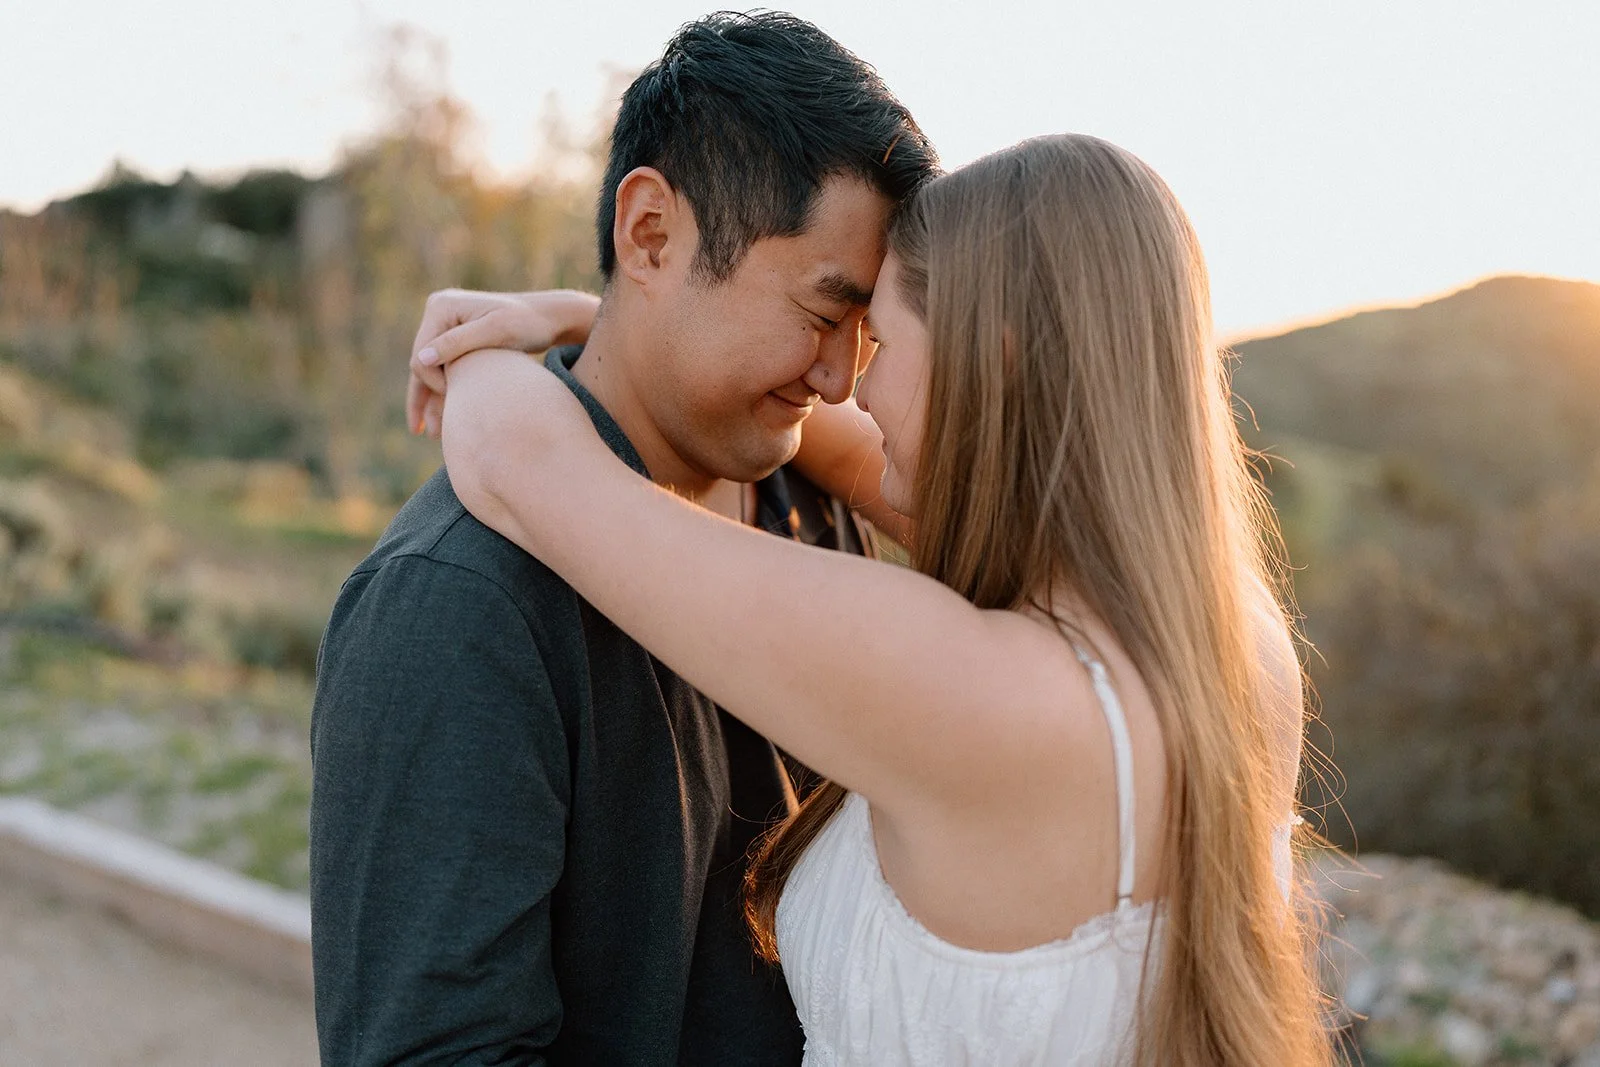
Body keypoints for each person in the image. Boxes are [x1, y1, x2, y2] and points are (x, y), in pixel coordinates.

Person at [417, 134, 1332, 1065]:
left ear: (997, 364)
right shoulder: (1233, 645)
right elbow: (872, 458)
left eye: (884, 341)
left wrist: (471, 350)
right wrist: (595, 318)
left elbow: (517, 459)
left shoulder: (971, 691)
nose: (853, 380)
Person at [307, 13, 937, 1065]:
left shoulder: (801, 491)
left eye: (868, 326)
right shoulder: (458, 603)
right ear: (650, 234)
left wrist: (572, 315)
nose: (842, 376)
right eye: (824, 312)